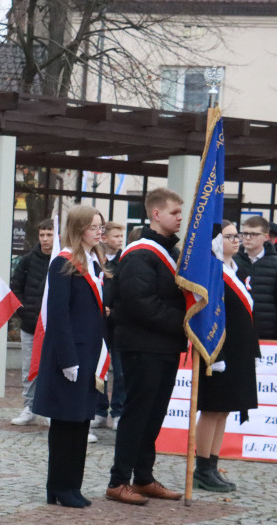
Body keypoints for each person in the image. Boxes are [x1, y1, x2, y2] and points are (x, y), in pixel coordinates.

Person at [106, 187, 187, 505]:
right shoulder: (141, 253)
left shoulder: (169, 252)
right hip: (142, 345)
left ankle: (143, 477)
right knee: (137, 413)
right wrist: (184, 321)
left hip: (164, 345)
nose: (180, 218)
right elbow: (142, 303)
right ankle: (118, 480)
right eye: (174, 213)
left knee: (155, 414)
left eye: (180, 212)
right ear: (156, 214)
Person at [32, 206, 106, 508]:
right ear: (78, 230)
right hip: (70, 354)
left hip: (89, 352)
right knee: (65, 423)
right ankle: (59, 486)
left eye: (100, 227)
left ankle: (73, 485)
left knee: (82, 421)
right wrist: (67, 359)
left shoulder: (94, 262)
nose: (99, 232)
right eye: (93, 227)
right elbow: (59, 314)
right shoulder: (63, 263)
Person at [194, 221, 259, 492]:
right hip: (218, 351)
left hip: (238, 349)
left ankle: (213, 462)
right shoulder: (213, 272)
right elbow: (207, 315)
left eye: (237, 236)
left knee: (225, 410)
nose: (237, 240)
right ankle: (202, 467)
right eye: (230, 236)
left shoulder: (237, 270)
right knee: (212, 408)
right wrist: (214, 353)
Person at [10, 218, 54, 426]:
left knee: (51, 367)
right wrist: (26, 313)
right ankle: (29, 406)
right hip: (30, 326)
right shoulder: (27, 261)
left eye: (49, 234)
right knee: (29, 367)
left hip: (54, 327)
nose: (45, 239)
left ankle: (49, 407)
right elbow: (15, 289)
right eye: (42, 235)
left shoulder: (62, 260)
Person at [235, 216, 277, 341]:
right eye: (245, 234)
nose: (248, 238)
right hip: (236, 331)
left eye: (253, 234)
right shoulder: (233, 261)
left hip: (266, 334)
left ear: (266, 237)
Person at [94, 219, 126, 431]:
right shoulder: (97, 261)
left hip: (120, 325)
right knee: (100, 370)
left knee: (121, 371)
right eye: (116, 236)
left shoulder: (127, 261)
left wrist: (113, 311)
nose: (120, 240)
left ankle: (118, 411)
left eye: (122, 237)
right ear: (104, 239)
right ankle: (99, 410)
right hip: (100, 325)